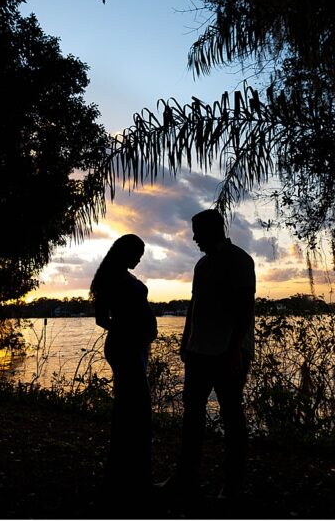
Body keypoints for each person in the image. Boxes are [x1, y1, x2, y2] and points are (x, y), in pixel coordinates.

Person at [163, 209, 256, 499]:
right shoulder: (201, 265)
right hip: (199, 350)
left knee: (231, 415)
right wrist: (185, 340)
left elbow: (245, 308)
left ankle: (233, 483)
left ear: (213, 230)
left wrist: (233, 350)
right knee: (192, 415)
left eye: (197, 233)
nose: (194, 238)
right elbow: (194, 305)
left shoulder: (240, 260)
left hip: (229, 352)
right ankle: (185, 475)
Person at [90, 234, 157, 498]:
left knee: (129, 408)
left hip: (132, 347)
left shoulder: (113, 275)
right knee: (137, 410)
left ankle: (124, 473)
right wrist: (130, 331)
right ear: (125, 251)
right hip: (126, 348)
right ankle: (134, 477)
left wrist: (137, 334)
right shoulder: (112, 278)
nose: (140, 258)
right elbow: (101, 319)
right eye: (137, 253)